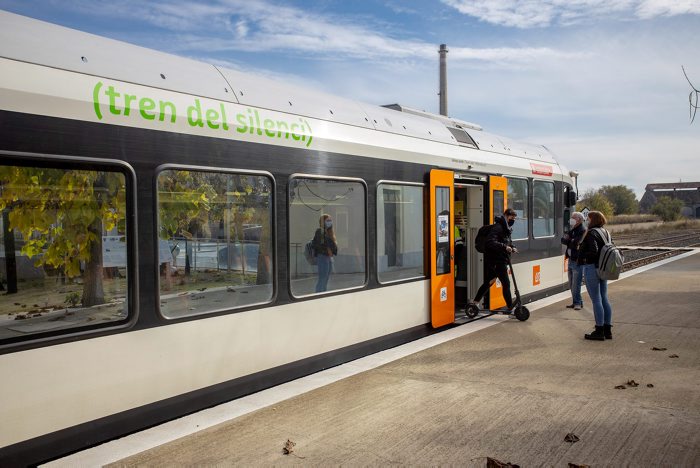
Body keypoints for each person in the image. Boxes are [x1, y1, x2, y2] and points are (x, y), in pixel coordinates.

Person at [470, 208, 519, 310]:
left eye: (514, 218)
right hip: (496, 260)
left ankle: (475, 302)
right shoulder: (498, 227)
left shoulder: (506, 228)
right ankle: (510, 307)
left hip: (499, 259)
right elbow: (490, 242)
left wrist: (512, 247)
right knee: (506, 283)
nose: (513, 220)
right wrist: (504, 247)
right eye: (512, 217)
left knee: (490, 281)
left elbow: (506, 241)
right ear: (506, 215)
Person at [577, 210, 614, 341]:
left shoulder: (592, 233)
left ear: (593, 220)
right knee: (604, 298)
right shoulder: (606, 232)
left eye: (589, 218)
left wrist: (583, 257)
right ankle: (607, 330)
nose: (587, 220)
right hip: (603, 268)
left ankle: (599, 331)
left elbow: (594, 251)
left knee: (596, 299)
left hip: (592, 268)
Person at [561, 212, 585, 310]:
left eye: (573, 218)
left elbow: (577, 243)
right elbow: (563, 240)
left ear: (578, 219)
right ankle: (577, 302)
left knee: (576, 284)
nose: (571, 219)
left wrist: (570, 240)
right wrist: (571, 240)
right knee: (571, 283)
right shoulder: (573, 229)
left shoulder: (582, 230)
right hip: (571, 260)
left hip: (577, 261)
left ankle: (577, 303)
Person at [312, 213, 338, 292]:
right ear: (322, 222)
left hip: (328, 258)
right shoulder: (320, 231)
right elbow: (321, 244)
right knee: (322, 279)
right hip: (323, 257)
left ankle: (323, 294)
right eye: (328, 220)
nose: (330, 222)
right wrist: (329, 250)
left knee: (326, 279)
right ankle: (318, 295)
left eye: (330, 220)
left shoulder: (329, 232)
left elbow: (332, 246)